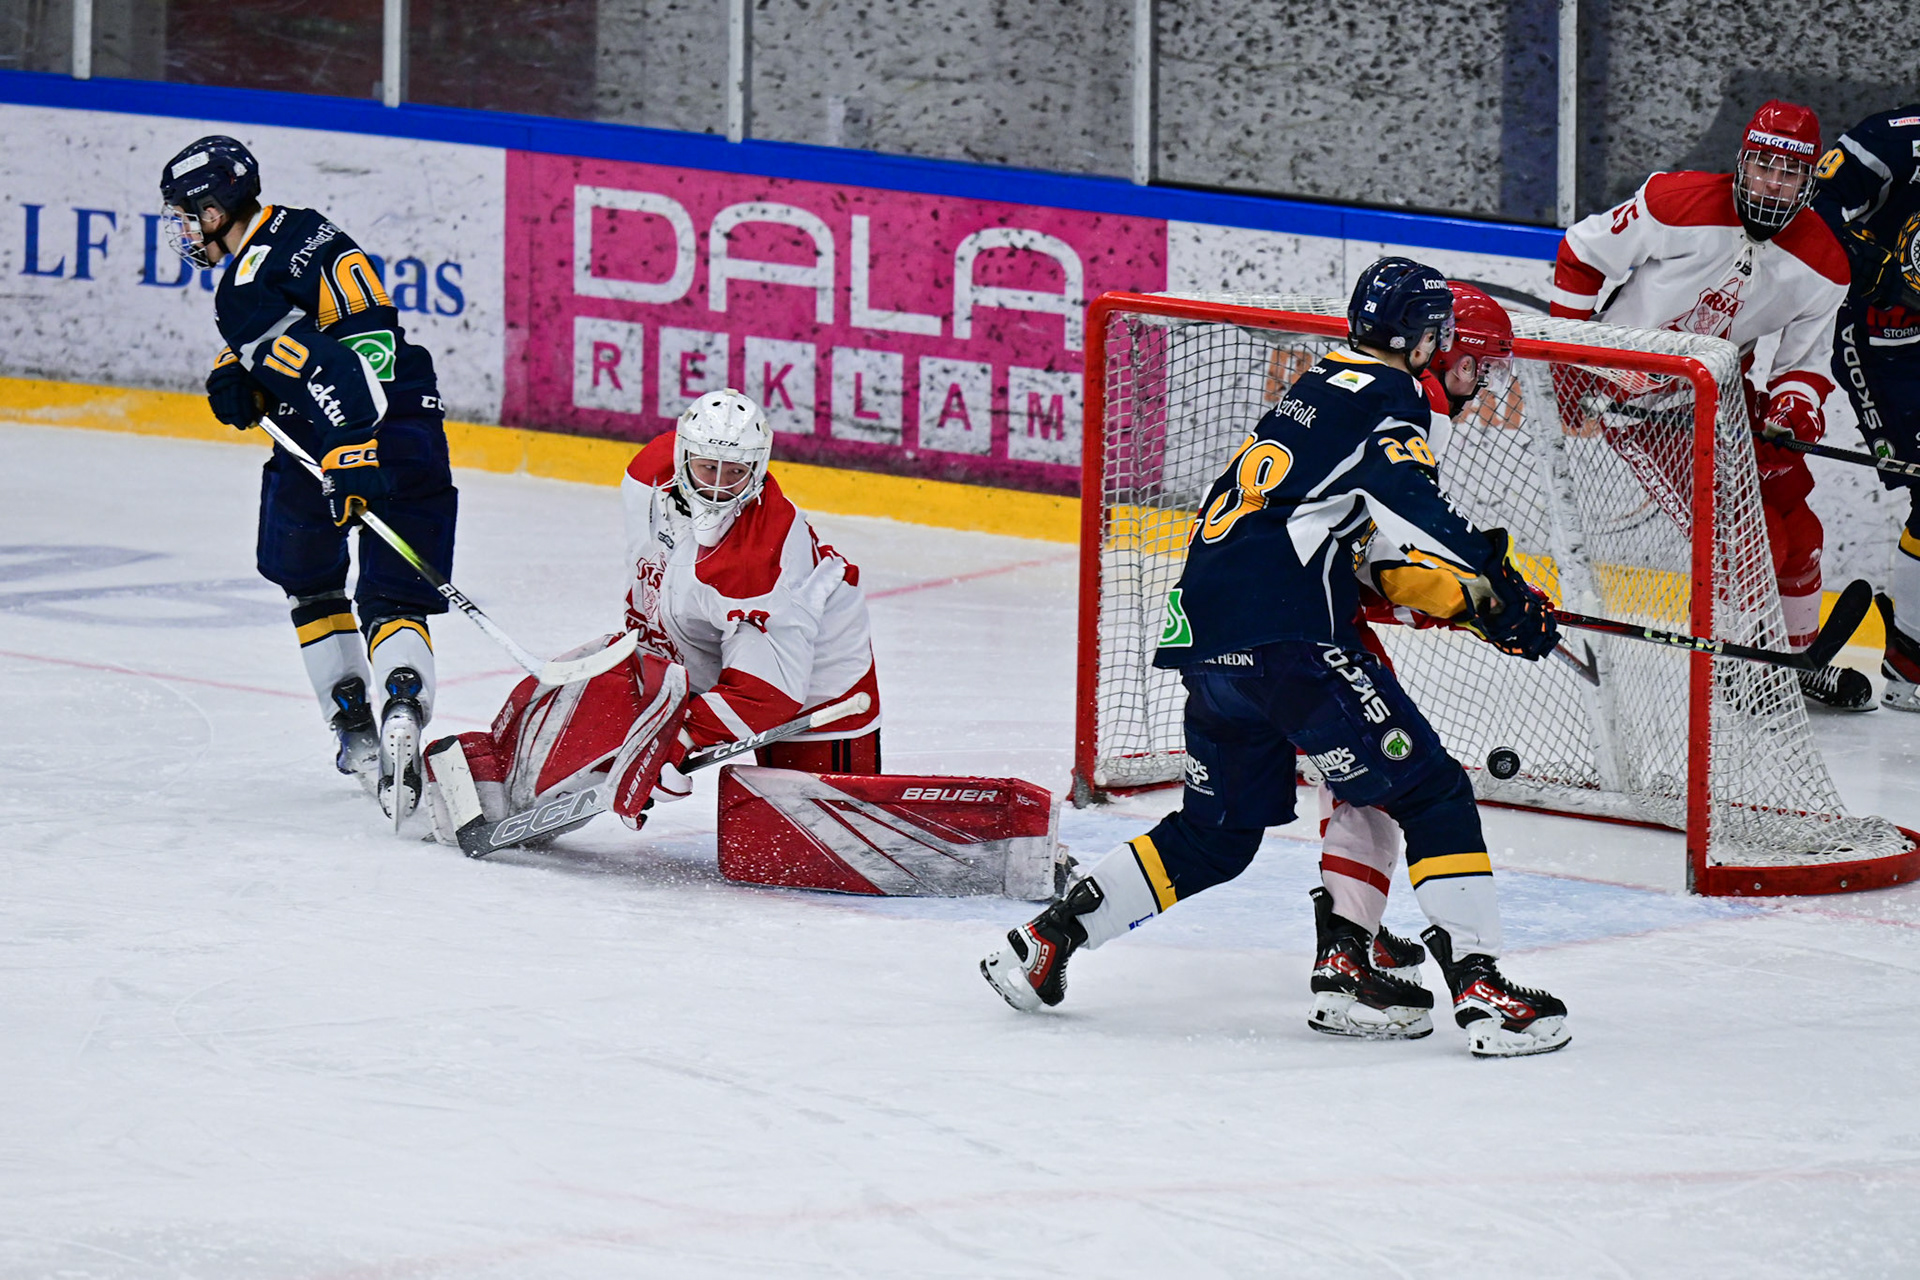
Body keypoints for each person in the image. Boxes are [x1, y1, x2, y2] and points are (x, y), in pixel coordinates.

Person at [980, 259, 1572, 1058]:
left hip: (1208, 638)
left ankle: (1049, 939)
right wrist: (1503, 585)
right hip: (1288, 641)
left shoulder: (1324, 385)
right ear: (1428, 341)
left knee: (1216, 835)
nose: (1470, 378)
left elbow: (1353, 543)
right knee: (1431, 791)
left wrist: (1472, 603)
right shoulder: (1397, 395)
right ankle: (1481, 989)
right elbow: (1415, 509)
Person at [422, 390, 881, 844]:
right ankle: (492, 775)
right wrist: (651, 734)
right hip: (693, 646)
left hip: (814, 681)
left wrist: (678, 739)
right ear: (682, 456)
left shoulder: (758, 559)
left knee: (820, 842)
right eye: (708, 468)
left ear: (757, 471)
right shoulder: (649, 475)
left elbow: (767, 693)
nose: (719, 486)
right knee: (594, 697)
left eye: (736, 473)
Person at [159, 135, 458, 817]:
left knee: (312, 582)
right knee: (398, 595)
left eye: (186, 215)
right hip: (413, 418)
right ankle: (403, 701)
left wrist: (348, 450)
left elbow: (331, 369)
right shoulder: (300, 226)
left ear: (214, 211)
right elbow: (326, 327)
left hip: (331, 432)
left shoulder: (240, 289)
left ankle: (354, 725)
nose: (184, 229)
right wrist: (241, 363)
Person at [1548, 100, 1858, 708]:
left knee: (1800, 530)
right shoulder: (1675, 202)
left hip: (1721, 394)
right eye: (1763, 167)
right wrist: (1567, 356)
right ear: (1742, 164)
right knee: (1748, 540)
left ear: (1808, 180)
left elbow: (1804, 365)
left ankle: (1796, 666)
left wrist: (1792, 410)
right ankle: (1743, 665)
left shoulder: (1825, 264)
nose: (1772, 183)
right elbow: (1582, 253)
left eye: (1788, 173)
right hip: (1636, 399)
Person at [1310, 281, 1518, 1031]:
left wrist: (1430, 598)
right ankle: (1352, 952)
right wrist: (1472, 600)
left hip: (1258, 617)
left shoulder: (1363, 387)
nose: (1481, 381)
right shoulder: (1411, 407)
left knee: (1335, 788)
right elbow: (1385, 550)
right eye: (1478, 364)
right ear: (1445, 351)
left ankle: (1350, 935)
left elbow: (1354, 543)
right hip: (1300, 629)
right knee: (1390, 784)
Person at [1810, 103, 1920, 711]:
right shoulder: (1896, 139)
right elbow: (1813, 205)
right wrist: (1863, 262)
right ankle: (1910, 664)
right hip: (1885, 344)